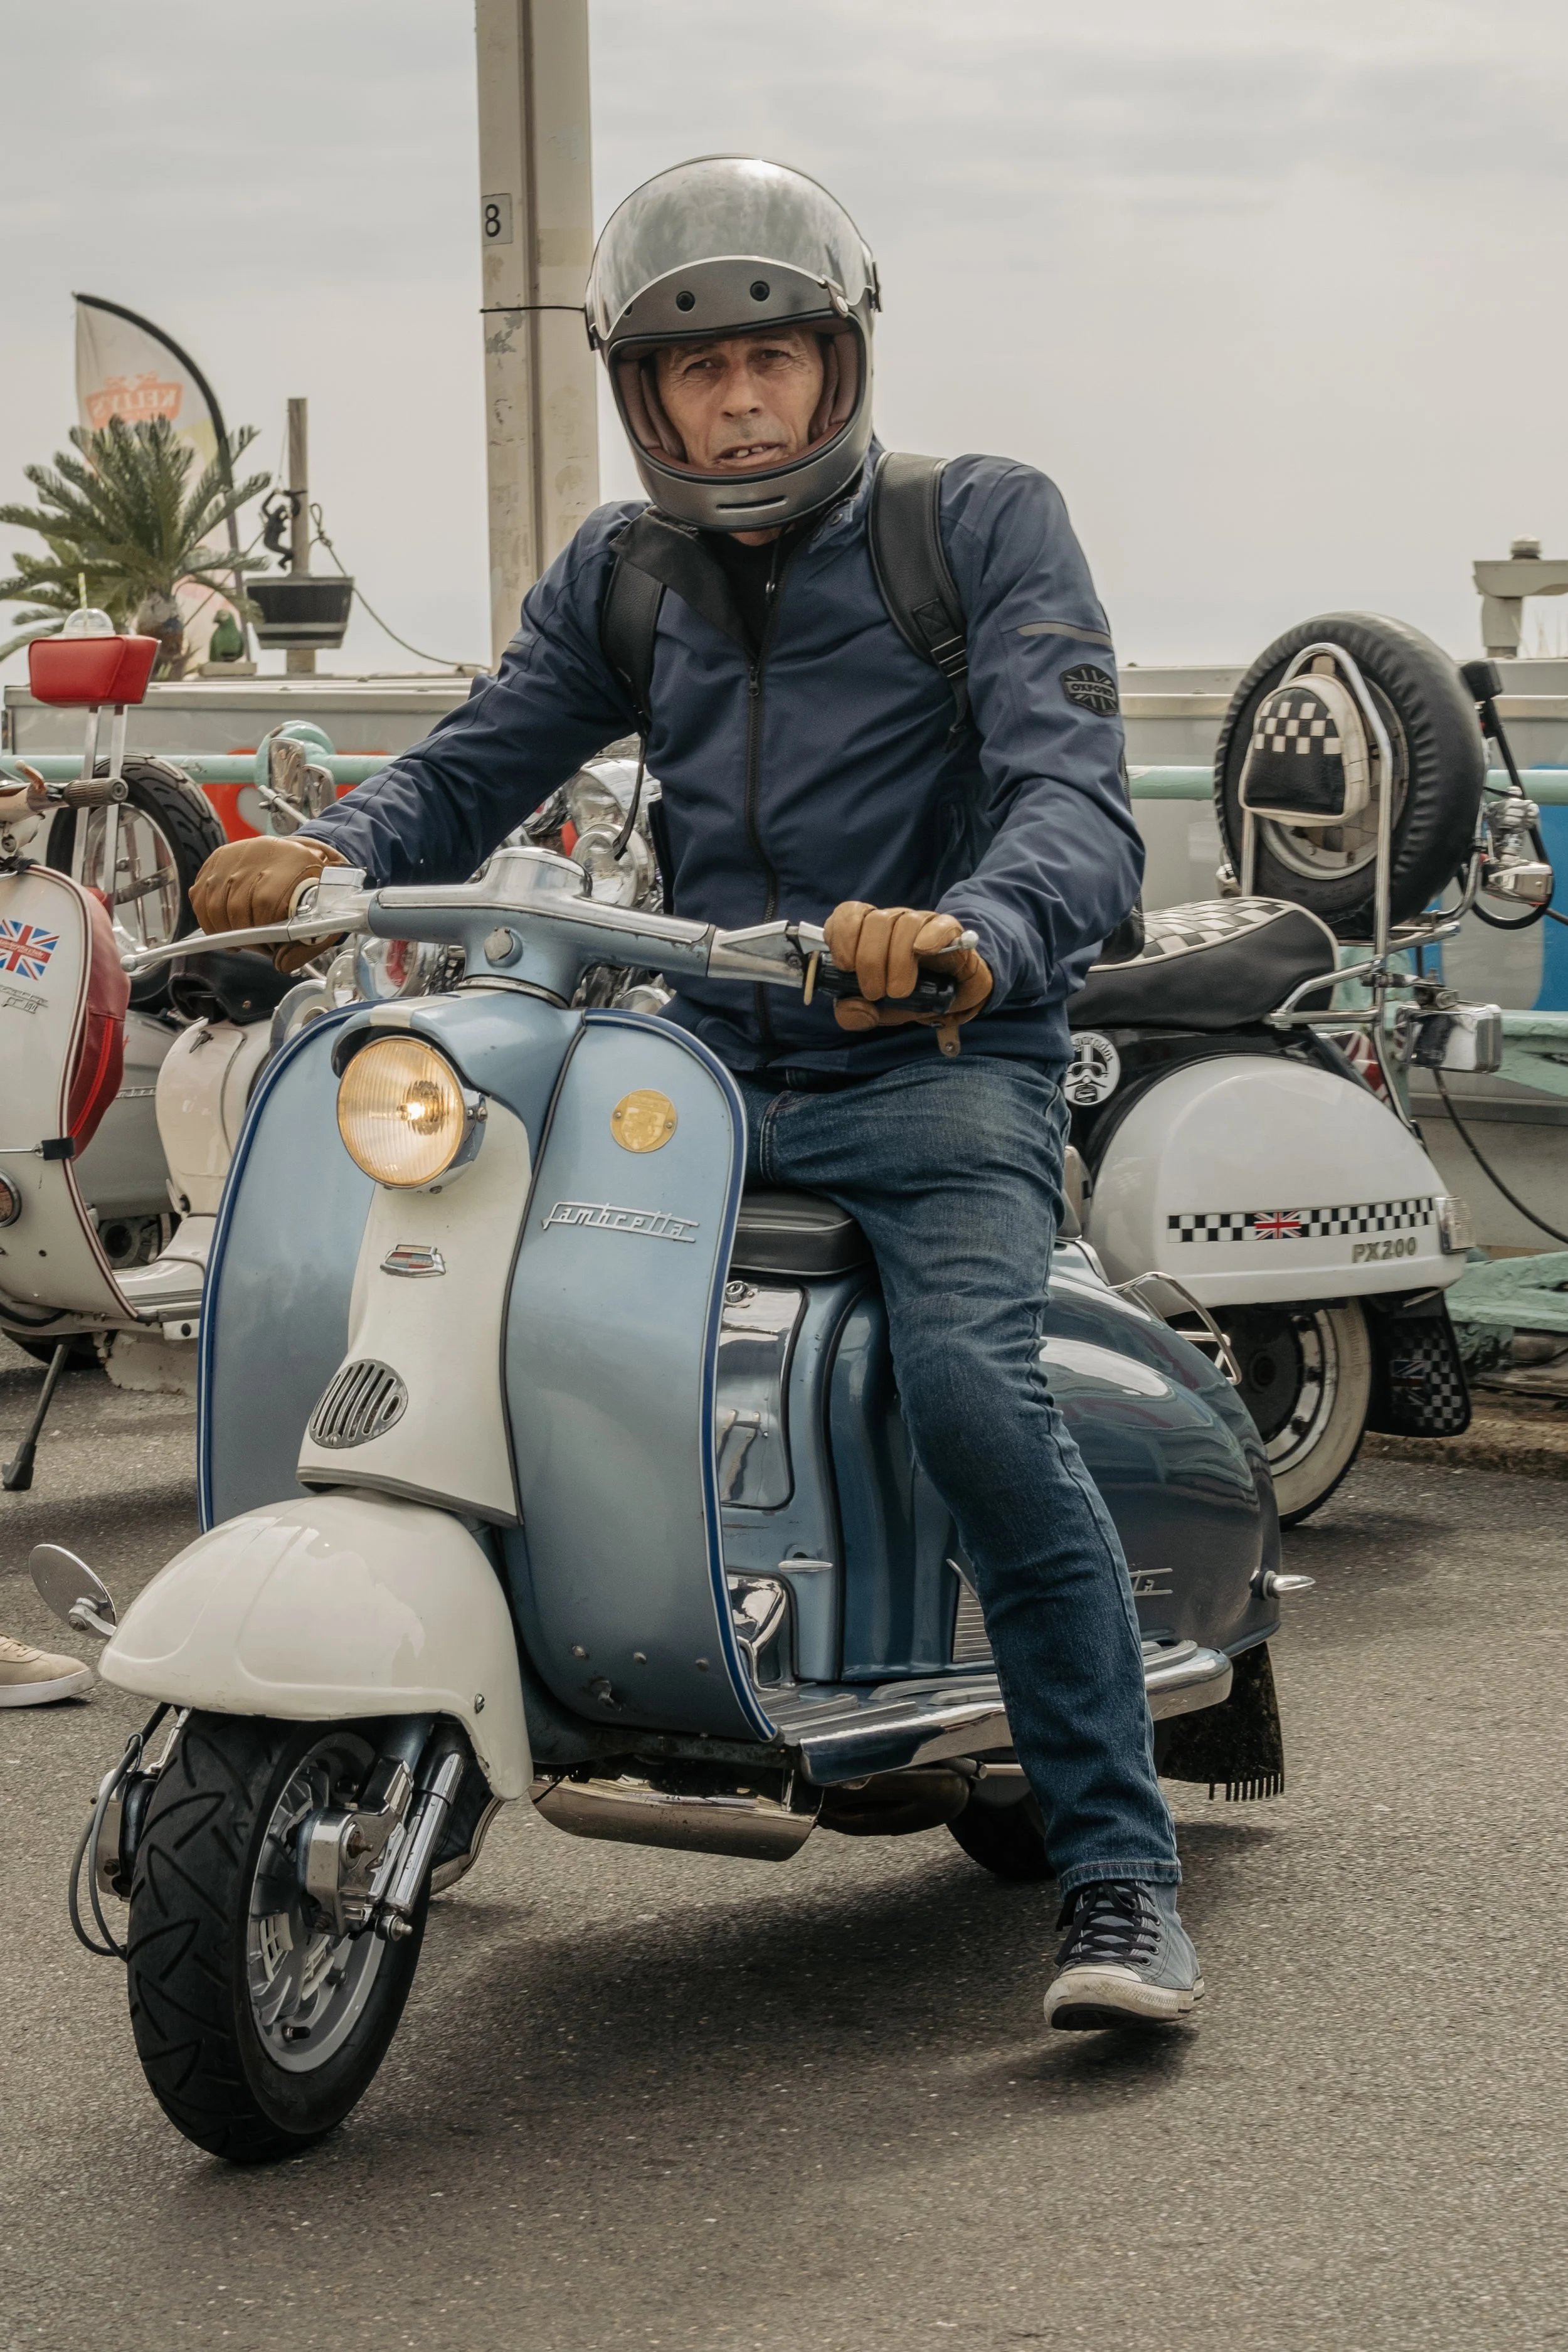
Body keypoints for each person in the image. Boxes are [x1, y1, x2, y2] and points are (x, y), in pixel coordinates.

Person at [191, 156, 1201, 2032]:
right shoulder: (625, 571)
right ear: (640, 395)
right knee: (481, 1289)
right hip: (698, 1062)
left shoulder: (971, 525)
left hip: (936, 1063)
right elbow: (479, 757)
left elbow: (1078, 796)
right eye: (693, 371)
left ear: (837, 362)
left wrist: (973, 928)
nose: (736, 401)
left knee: (972, 1384)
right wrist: (316, 853)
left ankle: (1120, 1876)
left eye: (772, 359)